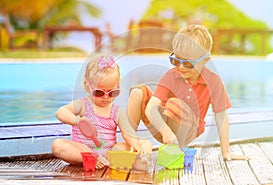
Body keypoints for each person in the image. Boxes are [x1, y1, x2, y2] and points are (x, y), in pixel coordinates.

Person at [127, 24, 249, 161]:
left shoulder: (213, 82)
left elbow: (221, 117)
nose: (181, 67)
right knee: (139, 92)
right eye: (176, 60)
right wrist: (165, 131)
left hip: (188, 130)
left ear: (205, 60)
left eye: (188, 63)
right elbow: (151, 107)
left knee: (174, 103)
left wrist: (226, 152)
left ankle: (177, 148)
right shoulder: (171, 76)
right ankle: (130, 142)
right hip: (163, 129)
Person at [52, 55, 152, 169]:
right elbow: (61, 112)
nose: (106, 97)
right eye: (99, 92)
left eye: (112, 92)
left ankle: (140, 160)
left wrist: (135, 144)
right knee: (58, 145)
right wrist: (77, 121)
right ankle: (91, 157)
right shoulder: (82, 104)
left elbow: (128, 132)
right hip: (83, 152)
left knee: (145, 143)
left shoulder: (117, 111)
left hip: (110, 154)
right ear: (87, 85)